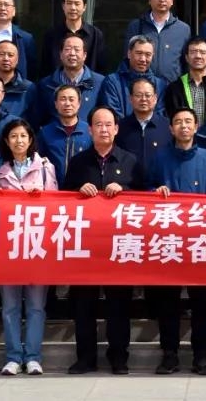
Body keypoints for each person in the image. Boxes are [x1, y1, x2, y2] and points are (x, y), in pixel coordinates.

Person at [63, 106, 144, 375]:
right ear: (90, 130)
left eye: (109, 124)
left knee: (118, 305)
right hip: (85, 245)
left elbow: (144, 200)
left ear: (117, 129)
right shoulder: (78, 163)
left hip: (119, 244)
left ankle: (119, 357)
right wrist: (77, 191)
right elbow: (62, 200)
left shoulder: (130, 161)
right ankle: (85, 358)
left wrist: (125, 190)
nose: (104, 129)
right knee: (83, 304)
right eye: (98, 124)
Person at [146, 108, 206, 376]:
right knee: (168, 302)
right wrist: (154, 192)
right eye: (178, 122)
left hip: (201, 240)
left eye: (188, 121)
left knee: (202, 302)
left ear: (197, 126)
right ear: (171, 128)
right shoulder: (159, 158)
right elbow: (144, 192)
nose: (183, 126)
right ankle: (169, 354)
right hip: (169, 240)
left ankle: (201, 355)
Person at [0, 119, 58, 376]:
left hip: (37, 245)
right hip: (9, 248)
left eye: (23, 136)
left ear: (31, 140)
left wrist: (40, 199)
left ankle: (32, 357)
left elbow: (56, 206)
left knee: (35, 306)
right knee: (10, 307)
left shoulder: (45, 168)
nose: (19, 140)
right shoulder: (0, 173)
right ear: (7, 141)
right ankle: (13, 357)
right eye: (13, 136)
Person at [122, 0, 192, 83]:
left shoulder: (183, 29)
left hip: (172, 87)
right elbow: (127, 58)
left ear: (172, 0)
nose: (162, 0)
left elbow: (186, 63)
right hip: (141, 87)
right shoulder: (136, 26)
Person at [35, 34, 104, 127]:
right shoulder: (46, 85)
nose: (72, 53)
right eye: (67, 49)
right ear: (60, 54)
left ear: (84, 55)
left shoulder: (100, 83)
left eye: (77, 49)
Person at [39, 0, 107, 77]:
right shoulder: (51, 35)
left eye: (77, 4)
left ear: (84, 7)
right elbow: (45, 68)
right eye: (69, 3)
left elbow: (101, 68)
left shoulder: (96, 35)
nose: (73, 8)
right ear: (63, 6)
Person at [99, 35, 167, 118]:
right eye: (139, 53)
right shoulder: (112, 82)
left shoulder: (160, 85)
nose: (143, 59)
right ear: (129, 53)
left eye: (148, 54)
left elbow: (160, 117)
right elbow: (112, 115)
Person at [37, 84, 93, 185]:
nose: (67, 103)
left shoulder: (90, 132)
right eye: (63, 99)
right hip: (53, 189)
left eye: (71, 99)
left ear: (79, 104)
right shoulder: (45, 132)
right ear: (56, 104)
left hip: (82, 189)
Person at [163, 36, 206, 127]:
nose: (198, 56)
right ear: (186, 57)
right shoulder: (174, 89)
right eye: (193, 52)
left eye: (203, 52)